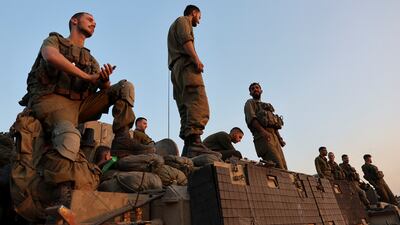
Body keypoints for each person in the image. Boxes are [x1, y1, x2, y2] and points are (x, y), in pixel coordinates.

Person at [19, 12, 152, 207]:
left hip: (80, 105)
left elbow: (104, 91)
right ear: (74, 21)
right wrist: (88, 77)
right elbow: (50, 57)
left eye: (95, 22)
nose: (94, 24)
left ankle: (122, 137)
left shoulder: (90, 60)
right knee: (69, 136)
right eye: (89, 20)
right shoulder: (54, 41)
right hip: (51, 100)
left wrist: (104, 81)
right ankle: (63, 192)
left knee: (124, 87)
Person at [167, 5, 212, 157]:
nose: (199, 21)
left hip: (176, 68)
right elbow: (187, 40)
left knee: (185, 105)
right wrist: (196, 59)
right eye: (199, 16)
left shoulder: (175, 24)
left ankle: (189, 147)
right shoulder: (183, 21)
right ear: (194, 13)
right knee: (197, 101)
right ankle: (195, 143)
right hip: (186, 65)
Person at [244, 82, 287, 169]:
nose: (255, 89)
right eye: (252, 89)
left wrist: (280, 139)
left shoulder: (266, 106)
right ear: (250, 93)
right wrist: (263, 132)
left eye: (257, 88)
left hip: (274, 137)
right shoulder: (250, 103)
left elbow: (274, 125)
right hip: (262, 136)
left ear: (261, 91)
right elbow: (252, 119)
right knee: (277, 164)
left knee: (284, 165)